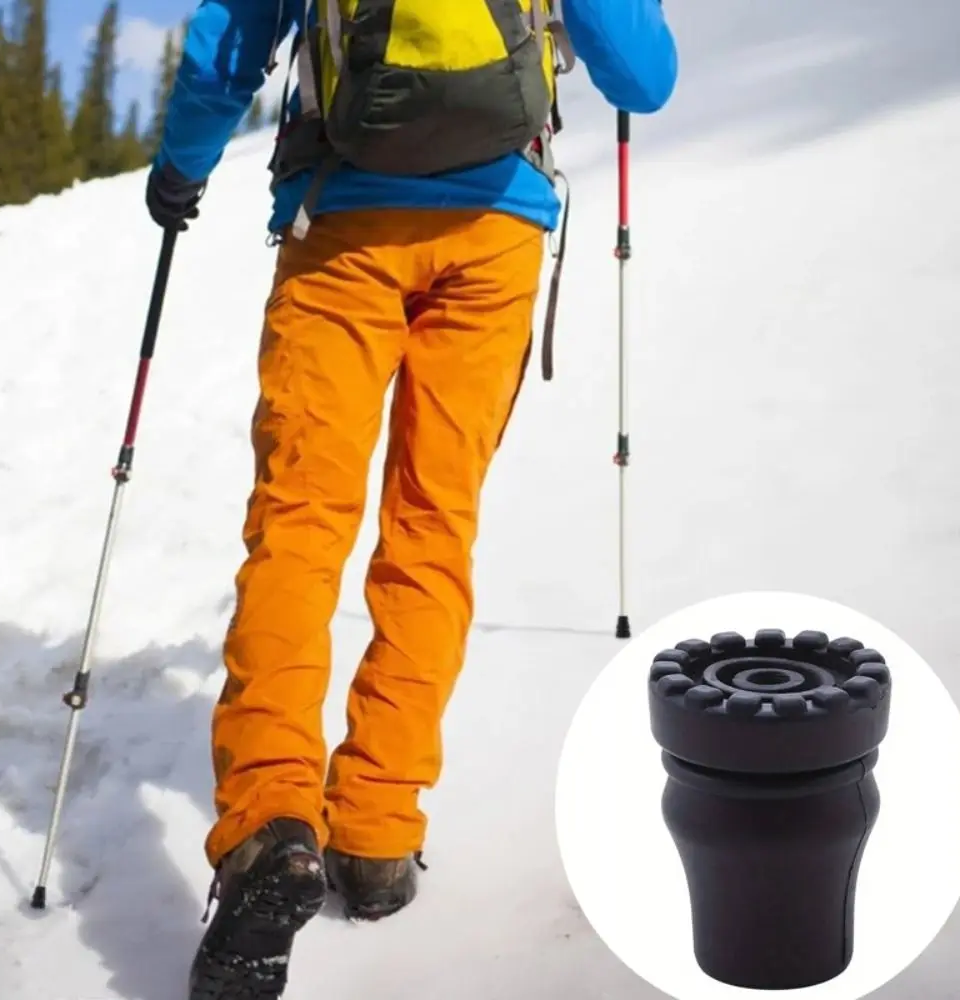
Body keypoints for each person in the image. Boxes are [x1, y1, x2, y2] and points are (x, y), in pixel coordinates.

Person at [145, 1, 677, 996]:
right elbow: (643, 78)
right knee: (431, 530)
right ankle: (379, 832)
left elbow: (230, 41)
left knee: (300, 522)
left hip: (341, 218)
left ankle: (271, 825)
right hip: (494, 234)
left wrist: (182, 164)